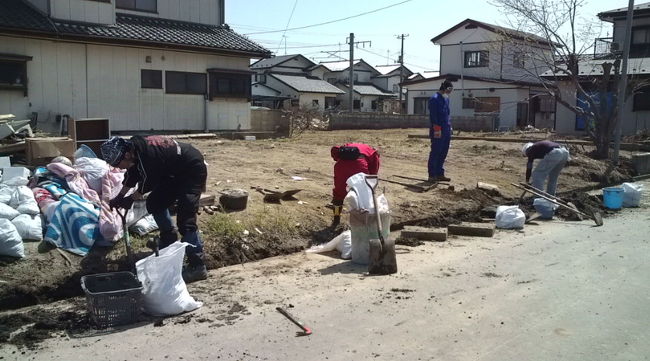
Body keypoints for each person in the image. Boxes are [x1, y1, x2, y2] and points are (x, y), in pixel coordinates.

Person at [101, 135, 208, 283]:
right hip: (172, 172)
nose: (118, 168)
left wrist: (130, 199)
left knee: (186, 217)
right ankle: (169, 239)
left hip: (191, 168)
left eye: (118, 164)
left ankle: (197, 265)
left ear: (126, 155)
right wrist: (120, 196)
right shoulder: (135, 151)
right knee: (155, 203)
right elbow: (133, 175)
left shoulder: (148, 156)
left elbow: (148, 184)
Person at [330, 143, 380, 226]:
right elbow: (373, 173)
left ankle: (336, 219)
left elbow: (335, 151)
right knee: (362, 195)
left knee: (338, 195)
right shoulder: (372, 152)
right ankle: (362, 222)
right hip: (360, 167)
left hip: (340, 166)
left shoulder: (348, 145)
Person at [428, 80, 454, 183]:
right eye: (449, 90)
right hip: (438, 129)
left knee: (443, 152)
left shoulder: (446, 99)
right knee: (436, 151)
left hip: (446, 129)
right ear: (444, 88)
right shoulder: (434, 99)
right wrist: (437, 129)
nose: (450, 92)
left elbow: (447, 114)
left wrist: (450, 127)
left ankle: (440, 173)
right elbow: (433, 116)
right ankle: (432, 174)